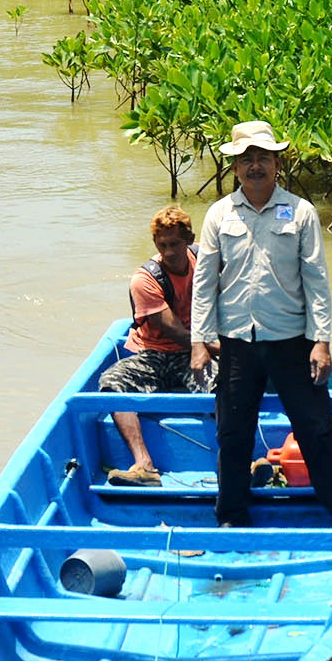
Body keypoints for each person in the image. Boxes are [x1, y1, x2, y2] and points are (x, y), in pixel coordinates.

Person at [189, 121, 332, 529]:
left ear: (277, 163)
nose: (255, 166)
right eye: (246, 159)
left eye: (263, 158)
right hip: (236, 344)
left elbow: (317, 281)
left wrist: (321, 341)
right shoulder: (219, 214)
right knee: (233, 435)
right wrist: (200, 340)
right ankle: (231, 517)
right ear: (234, 167)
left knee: (317, 429)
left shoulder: (301, 212)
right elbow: (205, 282)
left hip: (292, 343)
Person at [97, 205, 204, 487]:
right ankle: (144, 465)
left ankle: (242, 459)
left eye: (175, 244)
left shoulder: (206, 260)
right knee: (111, 382)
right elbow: (176, 333)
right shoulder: (144, 279)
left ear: (190, 239)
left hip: (196, 349)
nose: (169, 251)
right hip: (155, 353)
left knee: (233, 383)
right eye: (162, 244)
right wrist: (224, 350)